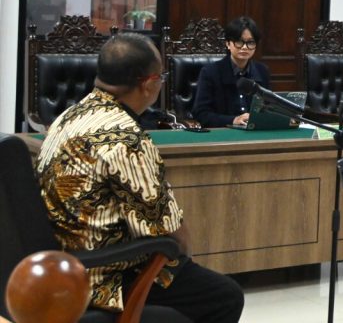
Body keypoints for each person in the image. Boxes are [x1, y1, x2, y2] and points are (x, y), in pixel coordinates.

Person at [36, 32, 243, 322]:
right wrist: (185, 257)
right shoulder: (127, 139)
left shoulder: (68, 116)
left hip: (57, 266)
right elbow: (170, 233)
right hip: (103, 276)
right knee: (225, 296)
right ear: (148, 83)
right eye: (162, 76)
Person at [192, 16, 271, 127]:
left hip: (254, 132)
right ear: (228, 43)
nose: (245, 47)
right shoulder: (210, 72)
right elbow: (201, 113)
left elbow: (269, 109)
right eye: (239, 41)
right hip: (222, 132)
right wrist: (233, 120)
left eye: (250, 42)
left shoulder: (262, 71)